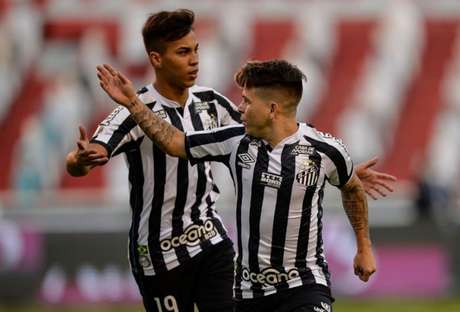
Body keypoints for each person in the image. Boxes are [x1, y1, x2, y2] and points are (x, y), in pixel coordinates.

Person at [68, 9, 394, 312]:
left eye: (196, 50)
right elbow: (98, 153)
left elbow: (277, 129)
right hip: (159, 251)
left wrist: (337, 167)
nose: (195, 60)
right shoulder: (131, 109)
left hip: (211, 241)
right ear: (157, 58)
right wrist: (80, 161)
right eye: (184, 53)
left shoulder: (212, 103)